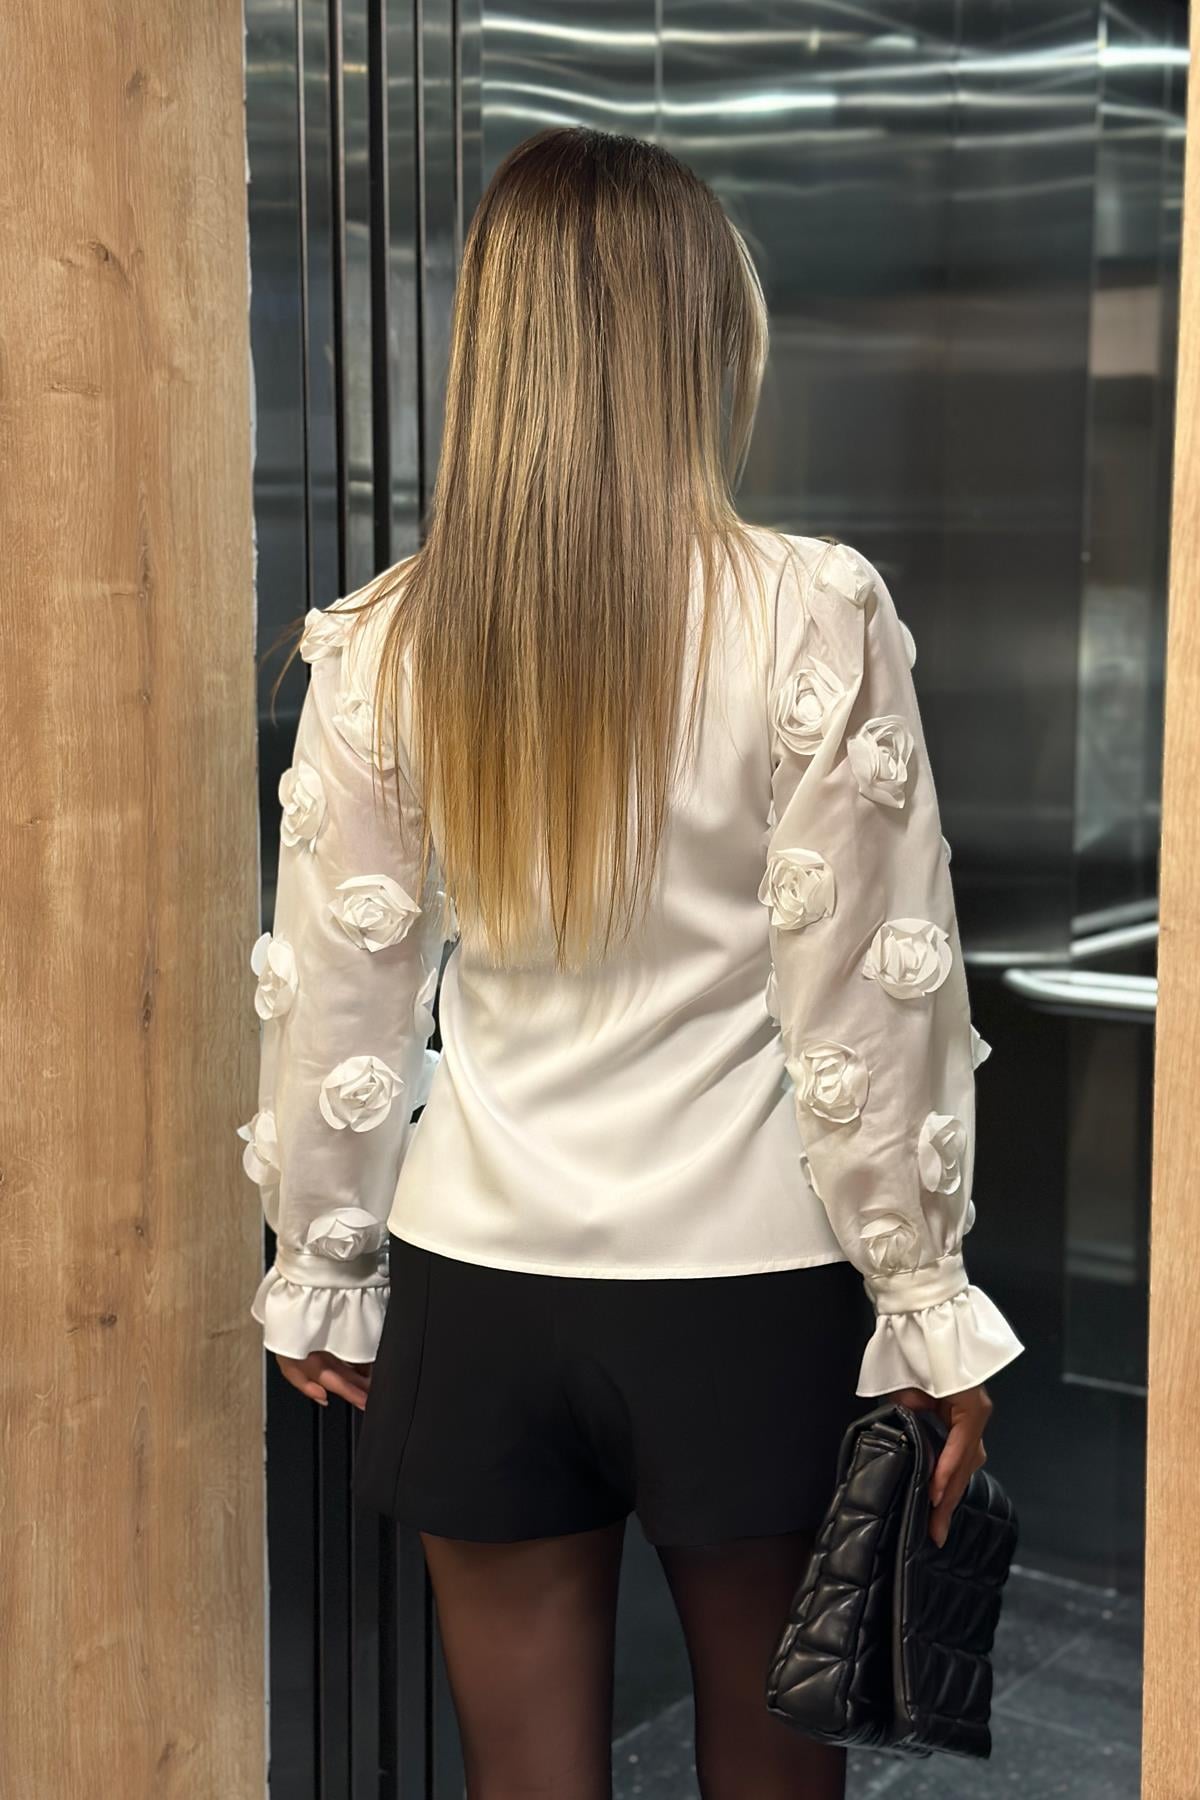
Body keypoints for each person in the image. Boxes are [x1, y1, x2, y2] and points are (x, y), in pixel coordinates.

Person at [242, 125, 1025, 1800]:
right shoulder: (810, 610)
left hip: (477, 1282)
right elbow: (872, 997)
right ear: (703, 333)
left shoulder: (383, 641)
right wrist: (925, 1306)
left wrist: (324, 1256)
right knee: (775, 1774)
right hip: (752, 1289)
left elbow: (340, 996)